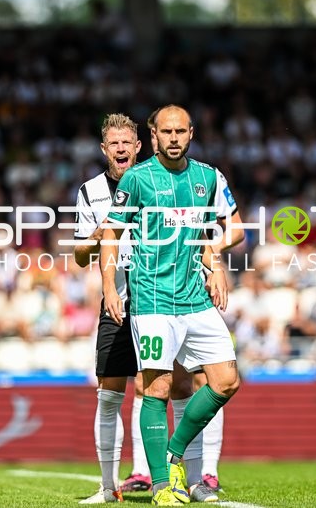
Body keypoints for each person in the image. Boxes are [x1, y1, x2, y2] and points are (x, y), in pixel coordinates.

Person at [101, 104, 240, 506]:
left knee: (226, 380)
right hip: (153, 300)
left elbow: (235, 228)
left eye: (181, 131)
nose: (174, 138)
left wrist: (213, 253)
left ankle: (172, 454)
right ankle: (163, 485)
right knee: (156, 387)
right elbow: (110, 233)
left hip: (195, 298)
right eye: (167, 132)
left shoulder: (209, 177)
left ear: (191, 133)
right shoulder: (138, 179)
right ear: (154, 135)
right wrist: (111, 286)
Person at [74, 113, 142, 504]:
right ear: (105, 149)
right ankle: (107, 487)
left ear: (137, 147)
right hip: (114, 299)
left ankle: (165, 477)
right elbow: (81, 255)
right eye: (112, 143)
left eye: (126, 142)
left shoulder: (155, 184)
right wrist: (100, 234)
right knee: (110, 394)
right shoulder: (90, 192)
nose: (120, 148)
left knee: (159, 389)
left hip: (158, 299)